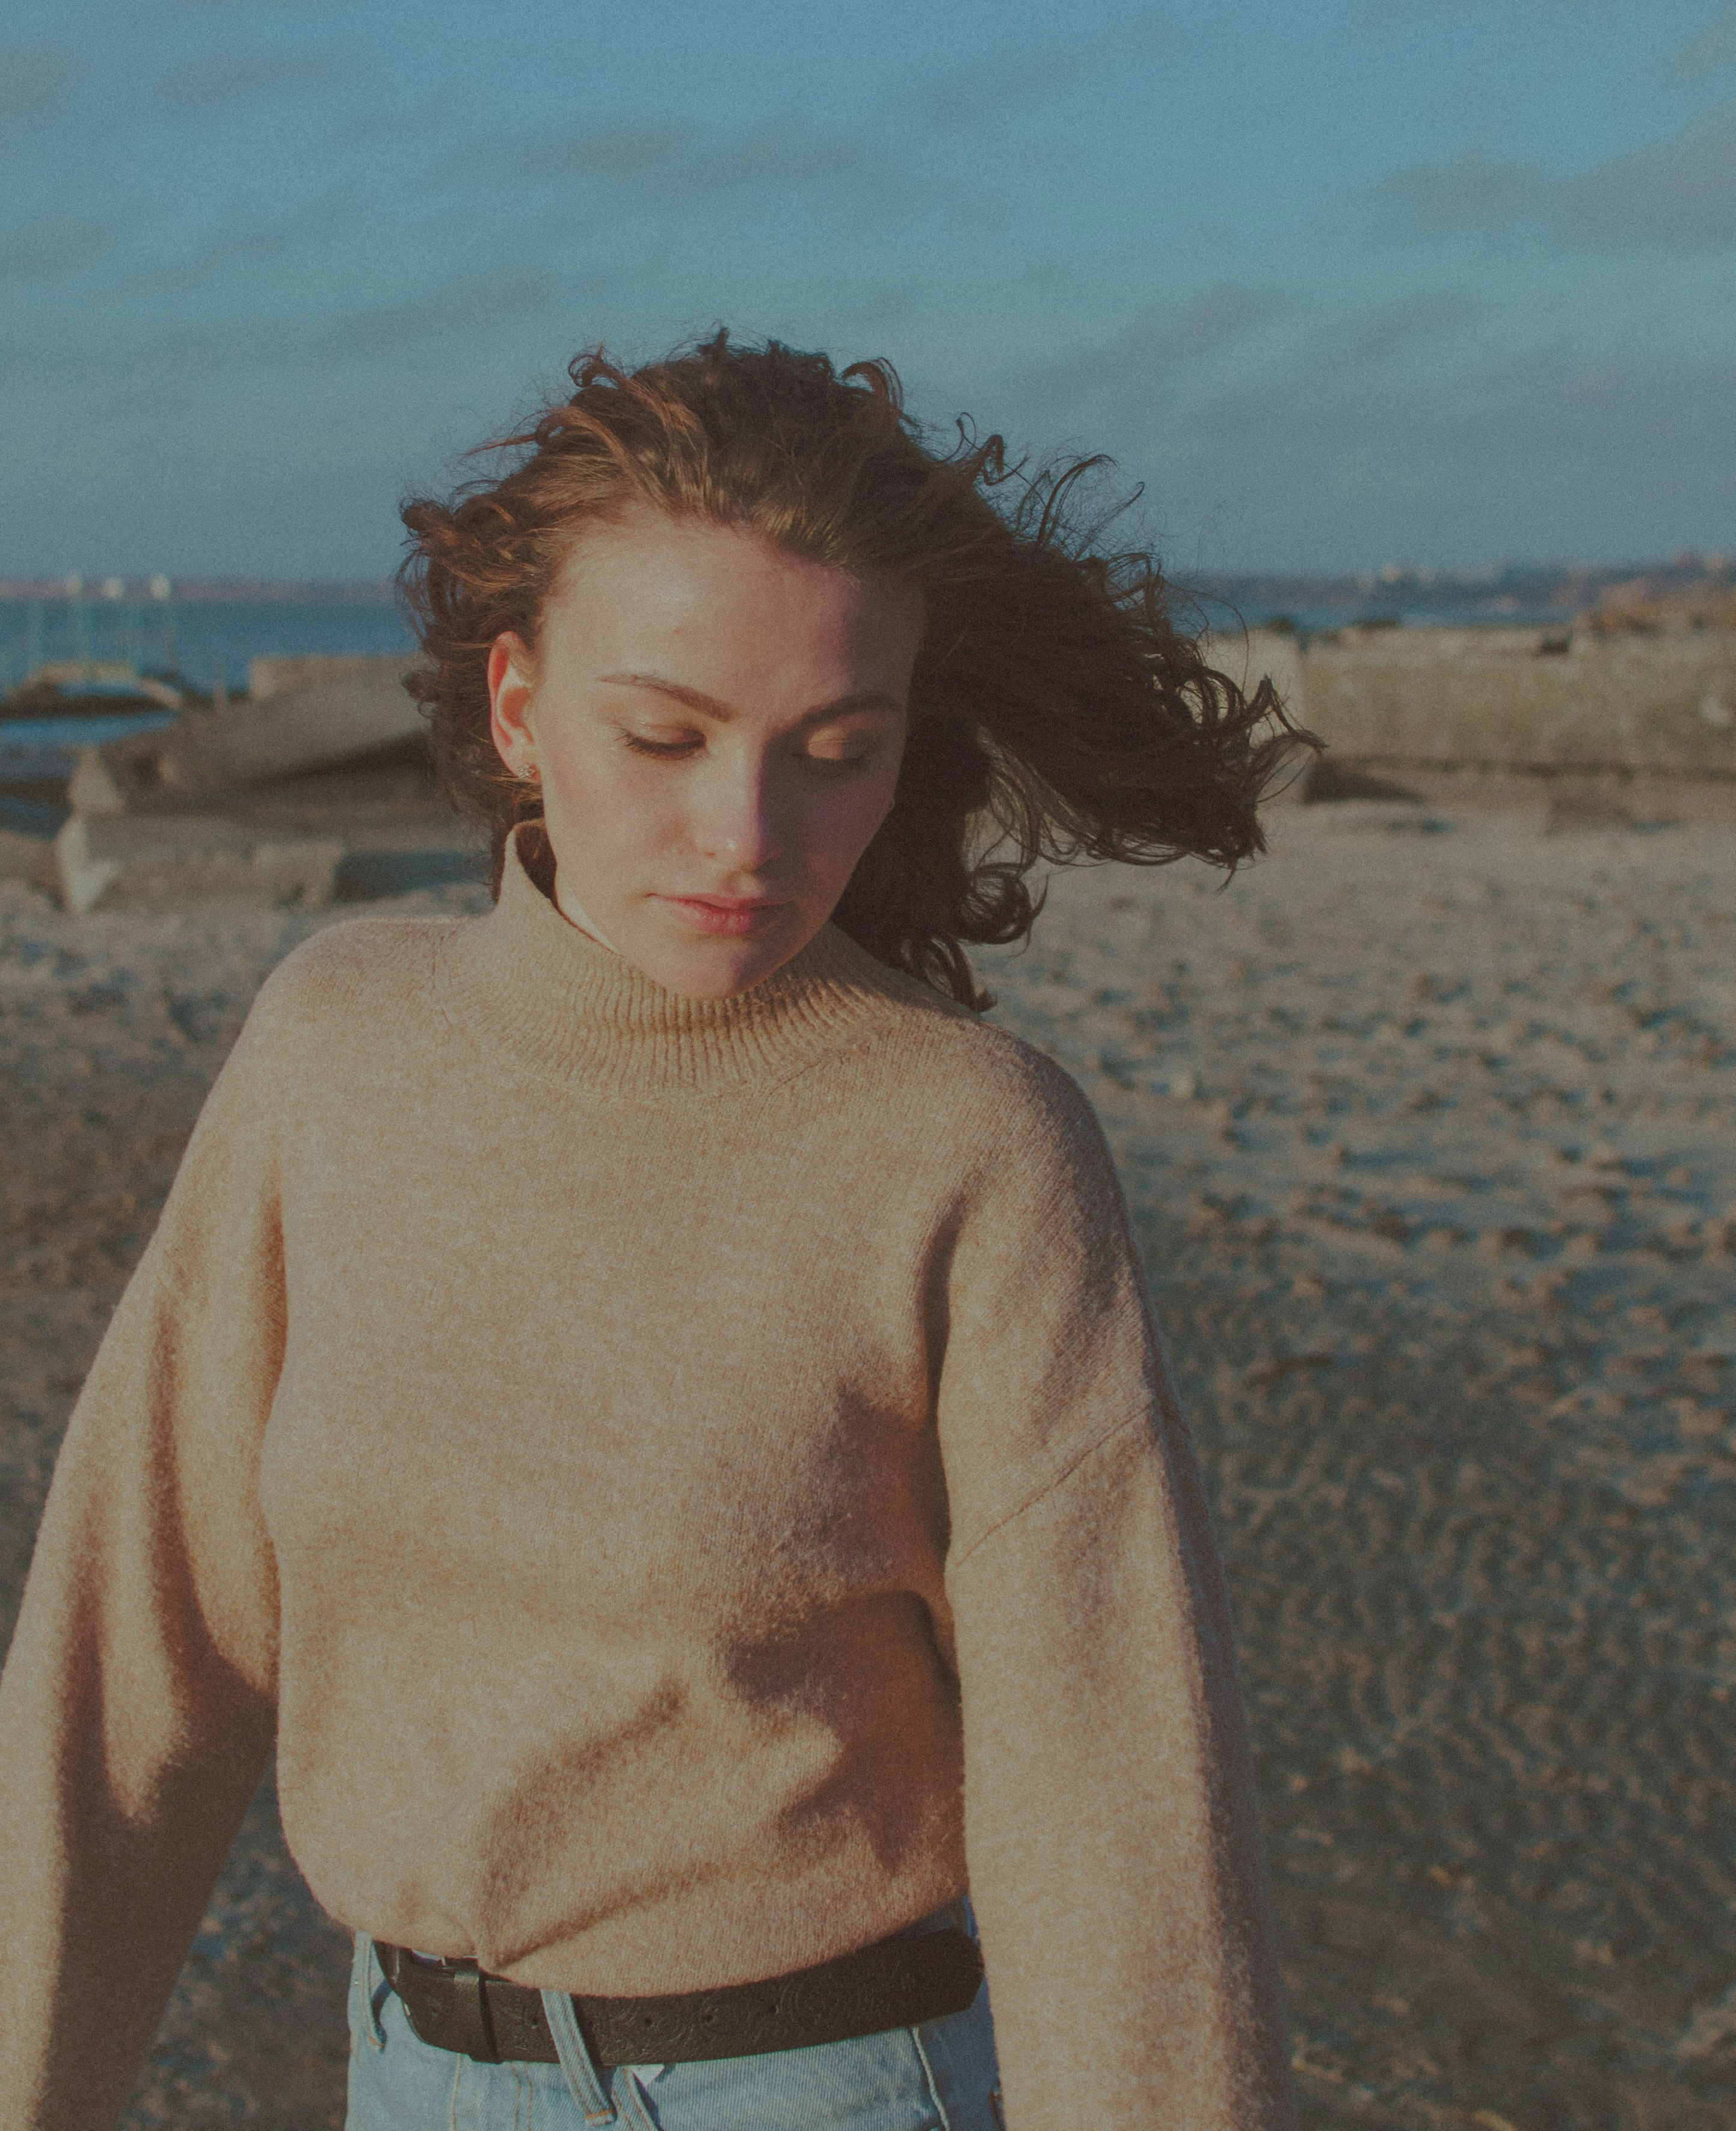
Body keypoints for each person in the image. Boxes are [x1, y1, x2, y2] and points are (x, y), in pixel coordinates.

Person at [0, 333, 1311, 2131]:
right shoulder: (333, 1050)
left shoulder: (969, 1145)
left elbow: (1118, 1819)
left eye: (835, 753)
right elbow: (127, 1671)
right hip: (403, 2077)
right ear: (522, 705)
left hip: (823, 2088)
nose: (746, 834)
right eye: (665, 735)